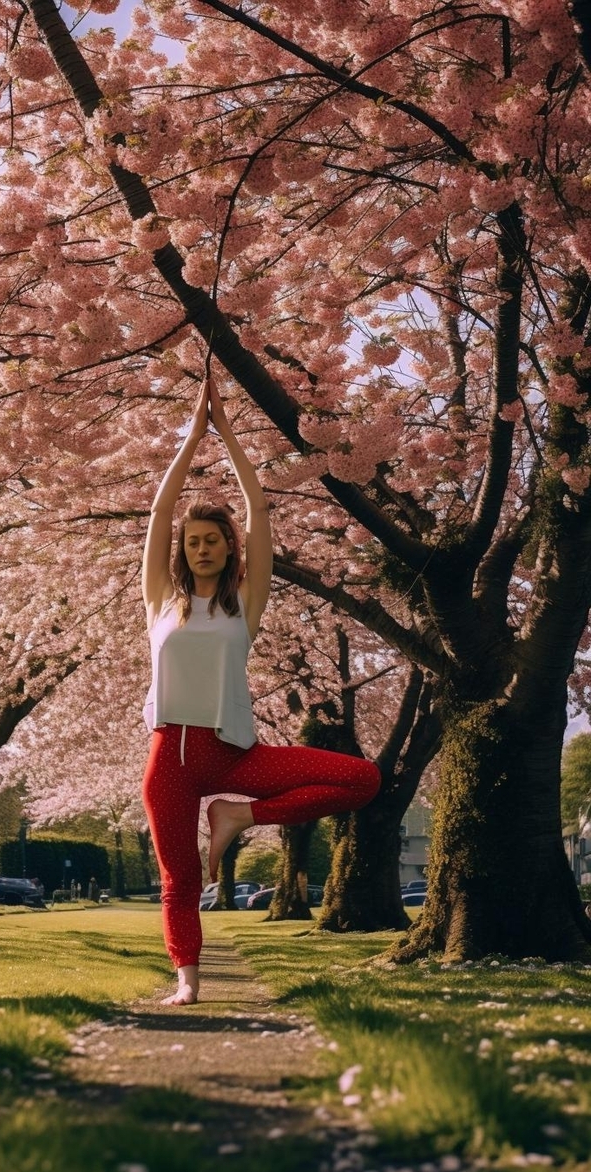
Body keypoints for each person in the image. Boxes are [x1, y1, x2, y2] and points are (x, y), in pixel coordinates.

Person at [141, 374, 381, 1006]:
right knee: (180, 877)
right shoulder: (161, 603)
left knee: (361, 779)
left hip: (232, 751)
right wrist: (192, 438)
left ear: (228, 551)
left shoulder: (244, 607)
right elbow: (161, 513)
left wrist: (228, 436)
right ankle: (187, 980)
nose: (199, 549)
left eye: (211, 542)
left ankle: (238, 815)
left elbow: (258, 512)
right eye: (192, 543)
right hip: (170, 757)